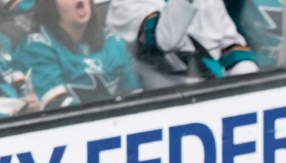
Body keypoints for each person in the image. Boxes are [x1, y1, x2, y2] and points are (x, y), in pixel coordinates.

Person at [13, 0, 141, 109]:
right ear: (50, 5)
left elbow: (136, 99)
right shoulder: (36, 49)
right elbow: (59, 109)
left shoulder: (113, 42)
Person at [105, 0, 257, 89]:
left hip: (218, 99)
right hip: (166, 112)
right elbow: (165, 41)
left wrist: (250, 86)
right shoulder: (124, 5)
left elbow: (233, 48)